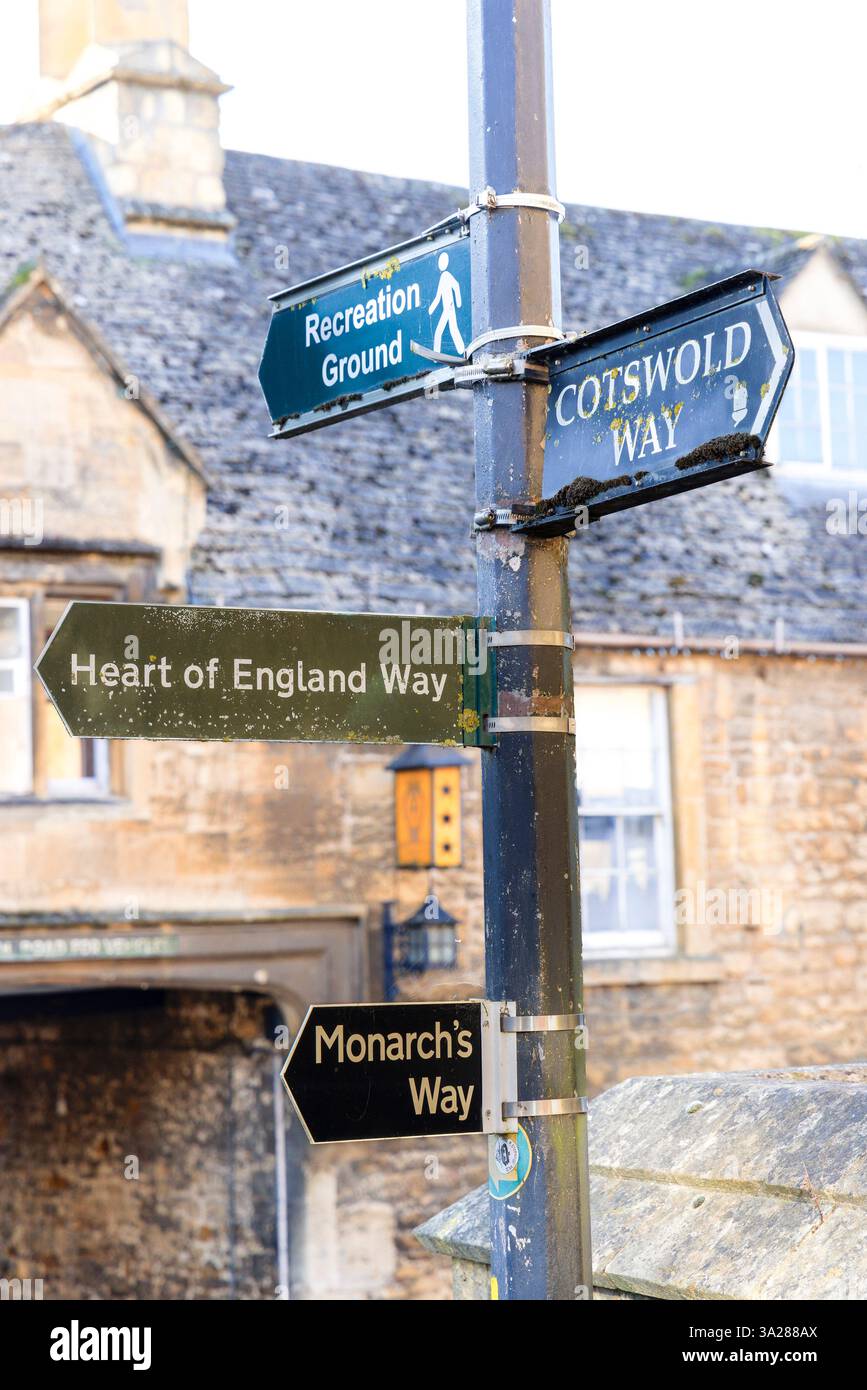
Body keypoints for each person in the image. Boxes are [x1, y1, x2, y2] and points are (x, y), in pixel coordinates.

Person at [429, 252, 465, 355]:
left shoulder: (447, 275)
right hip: (447, 309)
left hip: (449, 308)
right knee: (452, 329)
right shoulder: (442, 277)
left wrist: (458, 302)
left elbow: (456, 285)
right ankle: (461, 350)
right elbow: (438, 296)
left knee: (440, 331)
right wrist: (432, 308)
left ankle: (437, 353)